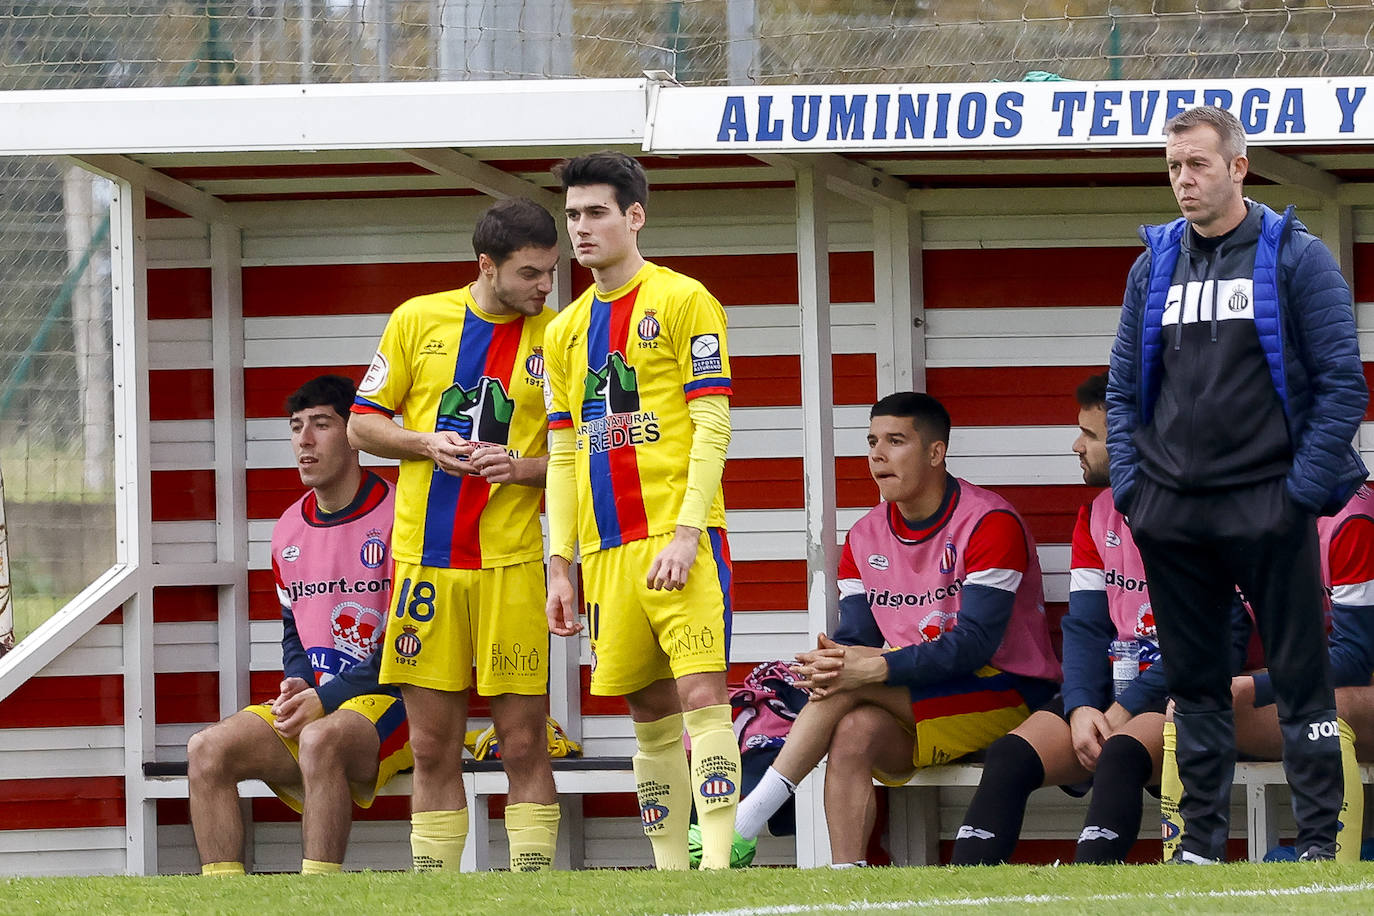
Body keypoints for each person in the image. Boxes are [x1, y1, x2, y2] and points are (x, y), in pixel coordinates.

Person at [1107, 104, 1369, 863]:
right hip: (1172, 511)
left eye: (1196, 165)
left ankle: (1321, 847)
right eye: (1172, 167)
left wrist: (1298, 497)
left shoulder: (1297, 255)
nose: (1182, 181)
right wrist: (1134, 491)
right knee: (1194, 688)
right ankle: (1196, 848)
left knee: (1302, 684)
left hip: (1269, 505)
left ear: (1237, 167)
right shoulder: (1153, 263)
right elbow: (1123, 390)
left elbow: (1342, 387)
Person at [732, 392, 1061, 867]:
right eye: (871, 442)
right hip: (913, 689)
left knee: (847, 689)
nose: (877, 455)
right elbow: (858, 637)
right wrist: (831, 662)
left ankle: (744, 824)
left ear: (935, 452)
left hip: (1007, 693)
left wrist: (865, 670)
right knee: (853, 727)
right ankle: (846, 884)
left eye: (895, 441)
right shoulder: (864, 535)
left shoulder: (989, 522)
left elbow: (973, 646)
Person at [541, 151, 741, 870]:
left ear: (634, 216)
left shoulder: (686, 300)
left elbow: (713, 426)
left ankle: (716, 865)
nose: (581, 228)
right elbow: (563, 457)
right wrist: (559, 564)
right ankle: (669, 872)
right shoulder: (561, 333)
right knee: (647, 713)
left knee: (701, 695)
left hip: (678, 534)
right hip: (607, 550)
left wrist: (689, 532)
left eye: (596, 213)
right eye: (572, 216)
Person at [348, 199, 561, 872]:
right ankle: (437, 892)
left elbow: (586, 458)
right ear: (486, 266)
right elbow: (361, 425)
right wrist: (422, 443)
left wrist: (522, 468)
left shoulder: (560, 337)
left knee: (524, 743)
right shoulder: (417, 319)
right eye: (530, 273)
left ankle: (535, 894)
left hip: (513, 566)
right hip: (426, 568)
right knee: (434, 747)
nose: (544, 287)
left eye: (551, 272)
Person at [187, 375, 409, 875]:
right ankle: (224, 908)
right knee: (206, 750)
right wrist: (300, 682)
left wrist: (325, 699)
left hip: (399, 702)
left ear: (356, 435)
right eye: (295, 427)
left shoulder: (401, 514)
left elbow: (409, 642)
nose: (304, 441)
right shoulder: (288, 526)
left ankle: (319, 898)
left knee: (320, 739)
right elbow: (293, 629)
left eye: (321, 425)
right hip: (320, 702)